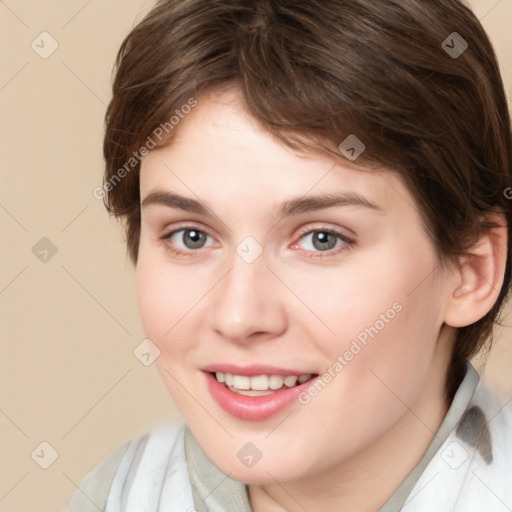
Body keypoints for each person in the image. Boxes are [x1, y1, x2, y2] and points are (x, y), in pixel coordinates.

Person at [65, 0, 512, 510]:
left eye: (322, 239)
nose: (239, 316)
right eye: (191, 236)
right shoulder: (114, 495)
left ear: (471, 272)